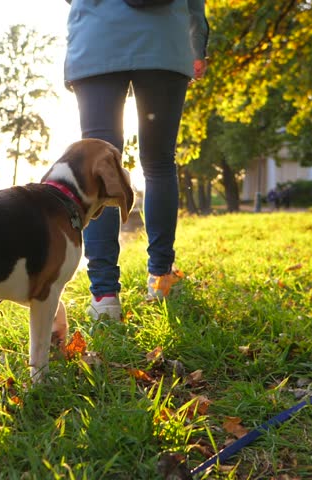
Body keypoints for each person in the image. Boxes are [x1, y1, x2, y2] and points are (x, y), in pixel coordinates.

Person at [64, 0, 209, 320]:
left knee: (97, 170)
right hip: (165, 42)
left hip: (96, 38)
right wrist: (197, 43)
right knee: (158, 163)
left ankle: (104, 296)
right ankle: (160, 279)